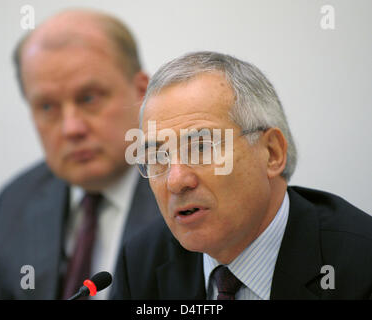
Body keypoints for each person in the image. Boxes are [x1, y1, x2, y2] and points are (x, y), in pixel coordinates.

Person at [114, 51, 372, 300]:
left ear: (271, 153)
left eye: (202, 148)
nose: (176, 181)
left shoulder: (360, 264)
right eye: (158, 158)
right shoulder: (142, 262)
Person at [0, 9, 160, 300]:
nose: (71, 128)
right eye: (47, 107)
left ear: (142, 92)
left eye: (89, 98)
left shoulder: (189, 196)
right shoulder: (14, 204)